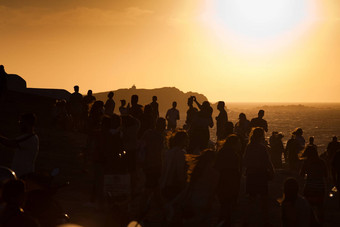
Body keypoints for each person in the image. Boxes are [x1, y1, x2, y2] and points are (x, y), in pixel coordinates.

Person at [243, 127, 274, 225]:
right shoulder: (261, 147)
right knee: (264, 197)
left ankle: (250, 218)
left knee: (252, 197)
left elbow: (245, 161)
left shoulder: (249, 147)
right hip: (261, 174)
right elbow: (267, 161)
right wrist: (272, 171)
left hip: (251, 174)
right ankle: (264, 219)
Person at [0, 113, 39, 177]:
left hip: (23, 174)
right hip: (23, 173)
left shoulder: (29, 138)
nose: (20, 124)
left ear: (27, 123)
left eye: (21, 122)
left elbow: (10, 143)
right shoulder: (30, 137)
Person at [215, 134, 242, 226]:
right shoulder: (233, 154)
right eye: (238, 143)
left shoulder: (221, 152)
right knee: (228, 208)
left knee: (224, 207)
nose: (240, 145)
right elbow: (235, 171)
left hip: (222, 182)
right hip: (230, 183)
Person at [300, 145, 327, 225]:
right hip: (320, 187)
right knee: (320, 207)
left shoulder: (306, 162)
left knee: (309, 207)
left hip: (309, 187)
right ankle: (320, 223)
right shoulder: (321, 162)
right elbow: (326, 175)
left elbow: (301, 174)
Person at [160, 130, 188, 202]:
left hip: (164, 183)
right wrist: (183, 185)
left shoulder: (168, 152)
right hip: (174, 184)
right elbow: (179, 171)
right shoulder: (180, 153)